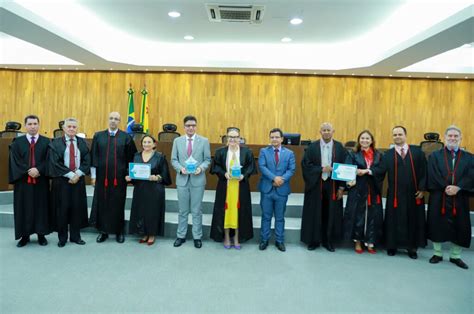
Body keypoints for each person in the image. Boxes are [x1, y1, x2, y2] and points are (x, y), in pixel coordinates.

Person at [371, 126, 426, 259]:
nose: (397, 137)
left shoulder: (417, 152)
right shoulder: (388, 155)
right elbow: (379, 171)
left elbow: (424, 171)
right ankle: (392, 246)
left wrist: (422, 189)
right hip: (395, 195)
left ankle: (411, 247)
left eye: (400, 134)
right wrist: (367, 171)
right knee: (393, 220)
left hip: (414, 194)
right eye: (395, 135)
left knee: (413, 220)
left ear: (405, 135)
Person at [427, 126, 472, 269]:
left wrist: (458, 188)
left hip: (460, 197)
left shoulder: (469, 157)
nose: (453, 138)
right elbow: (432, 173)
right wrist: (446, 187)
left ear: (460, 138)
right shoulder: (435, 156)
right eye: (450, 136)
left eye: (455, 136)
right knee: (436, 223)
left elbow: (471, 176)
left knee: (460, 225)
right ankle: (437, 253)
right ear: (445, 137)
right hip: (439, 196)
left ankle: (455, 256)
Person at [89, 112, 137, 243]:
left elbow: (131, 158)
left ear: (119, 121)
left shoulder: (126, 137)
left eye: (116, 119)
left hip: (119, 179)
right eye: (111, 118)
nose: (113, 121)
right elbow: (94, 156)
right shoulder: (98, 136)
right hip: (102, 178)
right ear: (108, 120)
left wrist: (129, 175)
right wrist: (93, 177)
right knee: (102, 203)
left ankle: (118, 231)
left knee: (118, 204)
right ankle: (103, 231)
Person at [300, 122, 347, 252]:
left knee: (331, 212)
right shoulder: (312, 147)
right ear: (320, 132)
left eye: (329, 130)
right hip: (316, 184)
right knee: (315, 212)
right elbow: (306, 166)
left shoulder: (339, 147)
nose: (326, 132)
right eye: (324, 130)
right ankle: (313, 240)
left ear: (333, 131)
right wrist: (321, 169)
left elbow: (344, 167)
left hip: (333, 184)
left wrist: (341, 188)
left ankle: (328, 241)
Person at [210, 127, 256, 249]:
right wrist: (224, 174)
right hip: (225, 187)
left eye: (236, 137)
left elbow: (250, 168)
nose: (233, 139)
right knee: (224, 211)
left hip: (241, 187)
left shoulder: (247, 152)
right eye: (230, 136)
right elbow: (215, 168)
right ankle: (225, 236)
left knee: (239, 211)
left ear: (240, 139)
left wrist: (243, 175)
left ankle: (236, 237)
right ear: (227, 138)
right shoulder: (221, 152)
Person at [8, 115, 50, 247]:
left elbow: (49, 160)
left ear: (39, 125)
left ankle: (41, 235)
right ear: (25, 126)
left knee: (41, 207)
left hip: (40, 181)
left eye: (35, 124)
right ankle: (24, 236)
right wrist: (29, 170)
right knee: (23, 207)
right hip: (23, 182)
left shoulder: (47, 142)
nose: (33, 126)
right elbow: (15, 161)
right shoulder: (17, 143)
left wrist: (39, 169)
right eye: (30, 124)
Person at [48, 118, 91, 247]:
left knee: (76, 209)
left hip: (78, 181)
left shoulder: (82, 143)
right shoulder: (55, 143)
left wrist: (77, 174)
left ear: (77, 128)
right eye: (69, 126)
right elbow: (55, 162)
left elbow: (87, 160)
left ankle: (75, 236)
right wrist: (71, 174)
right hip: (62, 181)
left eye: (74, 127)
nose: (72, 129)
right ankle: (62, 238)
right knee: (62, 209)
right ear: (64, 128)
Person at [171, 115, 211, 248]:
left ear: (196, 126)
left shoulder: (204, 141)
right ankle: (180, 235)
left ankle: (197, 236)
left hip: (197, 180)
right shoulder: (177, 141)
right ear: (184, 127)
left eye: (193, 125)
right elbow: (173, 160)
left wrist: (201, 168)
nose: (191, 128)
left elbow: (207, 160)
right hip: (182, 179)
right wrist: (180, 169)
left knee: (196, 210)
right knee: (182, 210)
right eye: (188, 125)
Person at [126, 135, 172, 246]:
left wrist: (157, 177)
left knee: (152, 212)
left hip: (155, 189)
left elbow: (165, 175)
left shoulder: (160, 157)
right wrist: (128, 177)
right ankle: (143, 233)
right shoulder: (136, 156)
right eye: (144, 142)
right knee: (141, 211)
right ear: (141, 144)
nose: (146, 144)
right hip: (140, 189)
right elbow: (131, 171)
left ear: (154, 144)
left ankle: (152, 234)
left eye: (149, 142)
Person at [343, 130, 383, 254]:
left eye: (367, 138)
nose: (364, 140)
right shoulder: (353, 154)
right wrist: (355, 172)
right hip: (358, 189)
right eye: (362, 138)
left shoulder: (378, 155)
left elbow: (381, 169)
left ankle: (370, 242)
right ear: (359, 140)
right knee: (358, 215)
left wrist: (368, 171)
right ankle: (358, 241)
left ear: (371, 141)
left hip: (373, 189)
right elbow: (347, 169)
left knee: (373, 216)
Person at [257, 128, 296, 252]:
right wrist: (274, 178)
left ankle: (279, 241)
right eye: (272, 137)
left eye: (276, 137)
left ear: (282, 139)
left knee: (280, 217)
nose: (274, 139)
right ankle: (264, 239)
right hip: (267, 189)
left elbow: (291, 169)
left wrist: (281, 179)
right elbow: (262, 166)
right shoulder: (263, 151)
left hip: (282, 189)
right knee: (266, 216)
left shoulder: (289, 153)